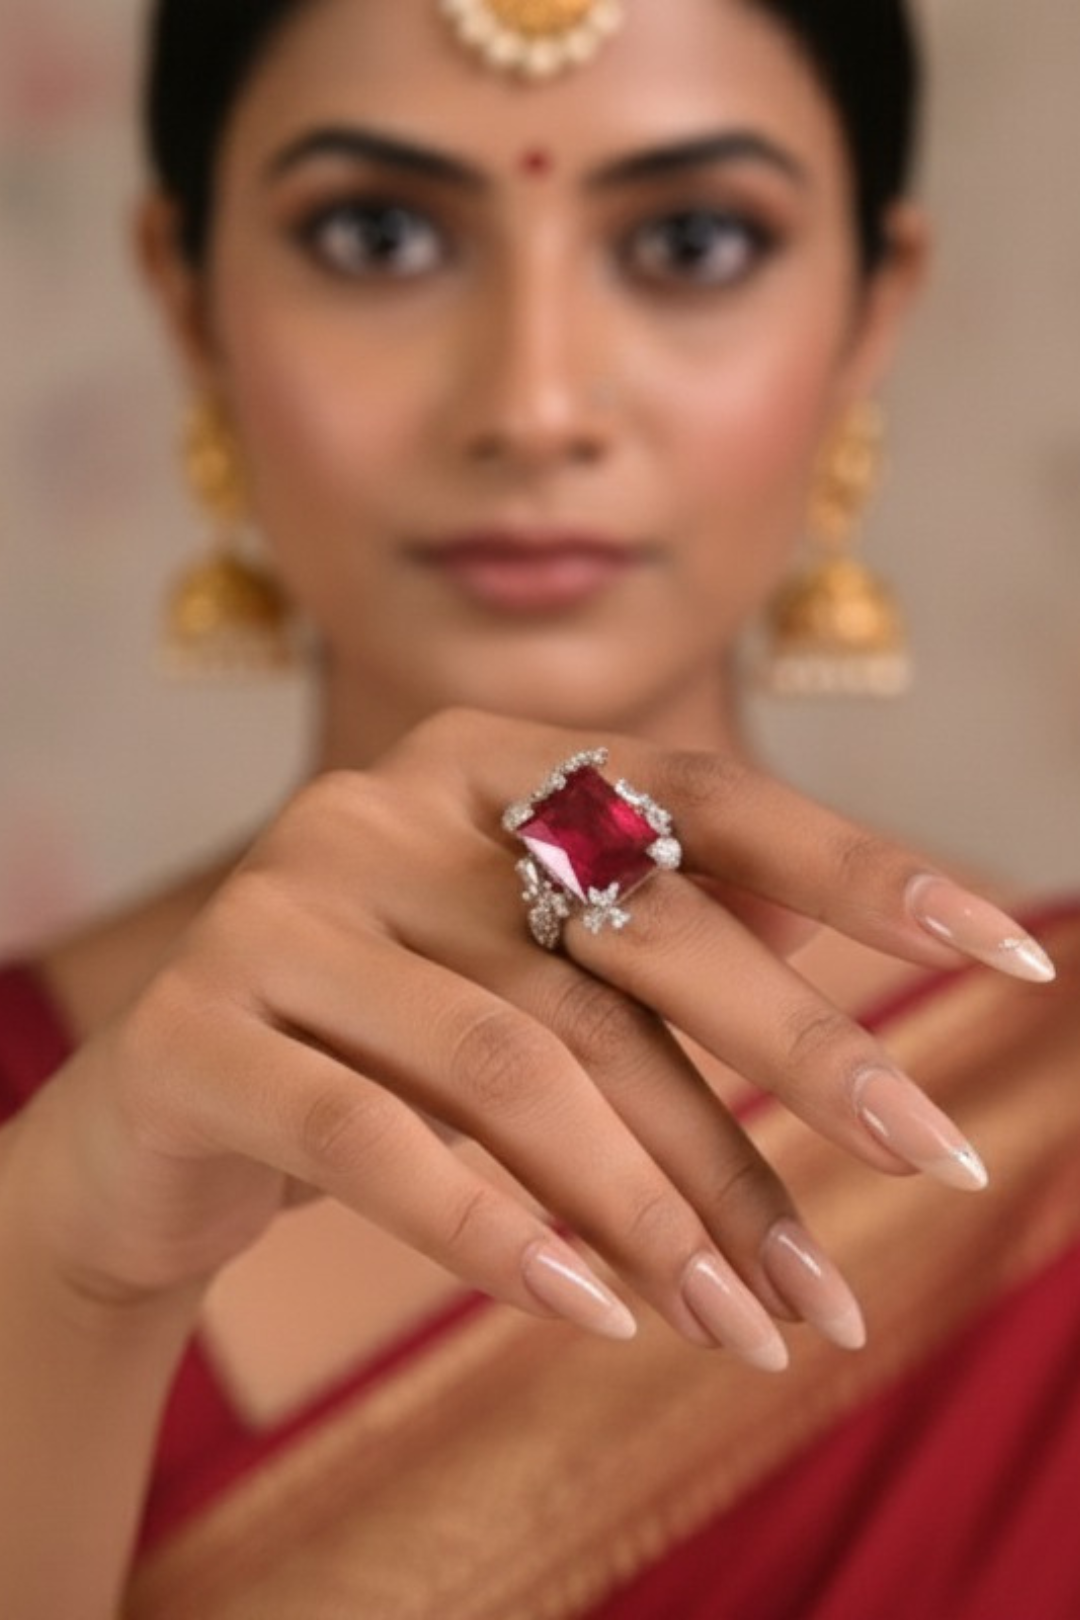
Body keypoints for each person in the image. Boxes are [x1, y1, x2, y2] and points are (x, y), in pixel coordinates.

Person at [0, 1, 1077, 1615]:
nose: (534, 401)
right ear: (191, 294)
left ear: (872, 309)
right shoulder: (41, 1143)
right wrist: (65, 1284)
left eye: (693, 243)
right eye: (377, 236)